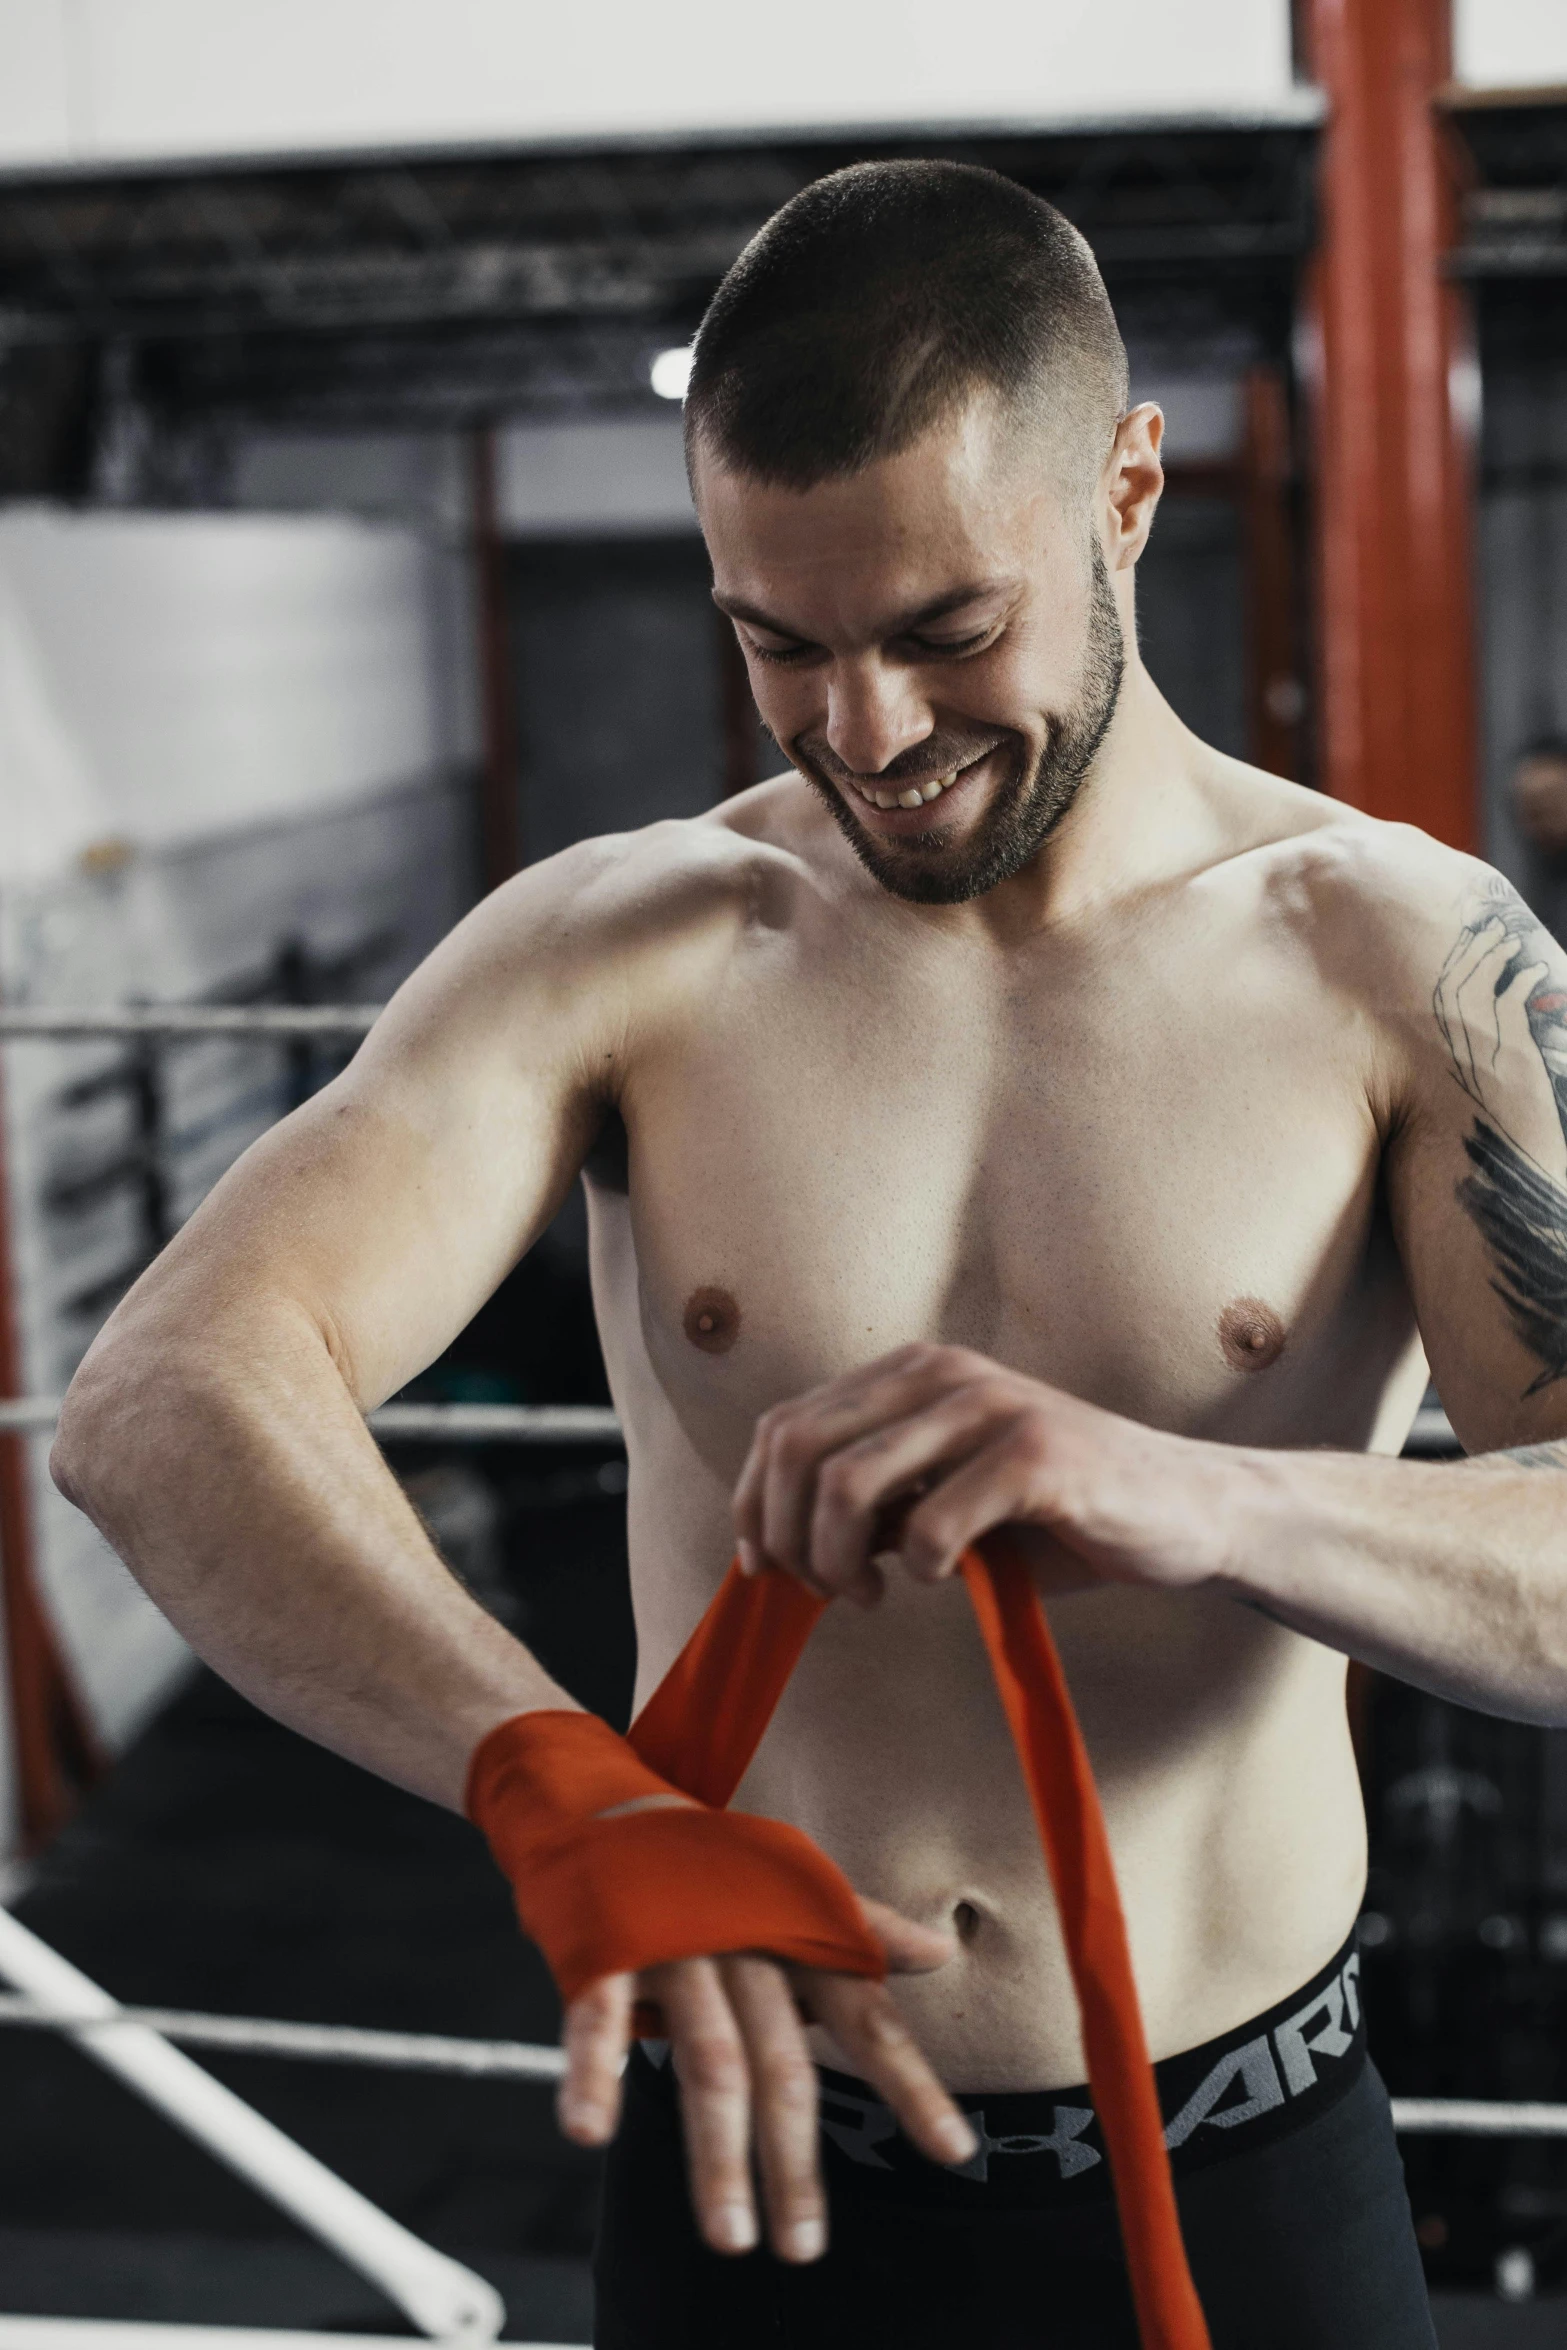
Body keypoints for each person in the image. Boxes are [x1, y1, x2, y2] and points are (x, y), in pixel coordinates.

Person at [51, 161, 1567, 2348]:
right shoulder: (625, 950)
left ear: (1125, 492)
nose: (865, 730)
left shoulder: (1396, 962)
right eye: (779, 641)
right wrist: (543, 1766)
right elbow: (161, 1398)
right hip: (754, 2175)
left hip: (1235, 2172)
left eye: (947, 630)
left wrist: (1209, 1490)